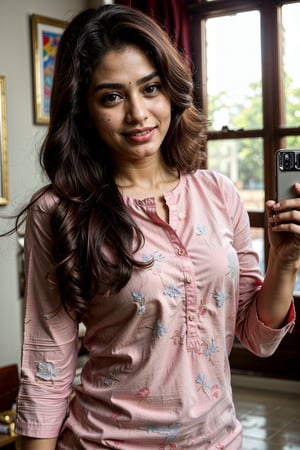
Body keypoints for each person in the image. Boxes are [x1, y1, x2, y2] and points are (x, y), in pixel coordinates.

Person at [12, 4, 298, 449]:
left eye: (151, 88)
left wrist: (285, 261)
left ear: (171, 92)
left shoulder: (218, 193)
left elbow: (258, 339)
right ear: (84, 110)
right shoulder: (58, 210)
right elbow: (46, 364)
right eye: (111, 97)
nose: (138, 113)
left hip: (219, 440)